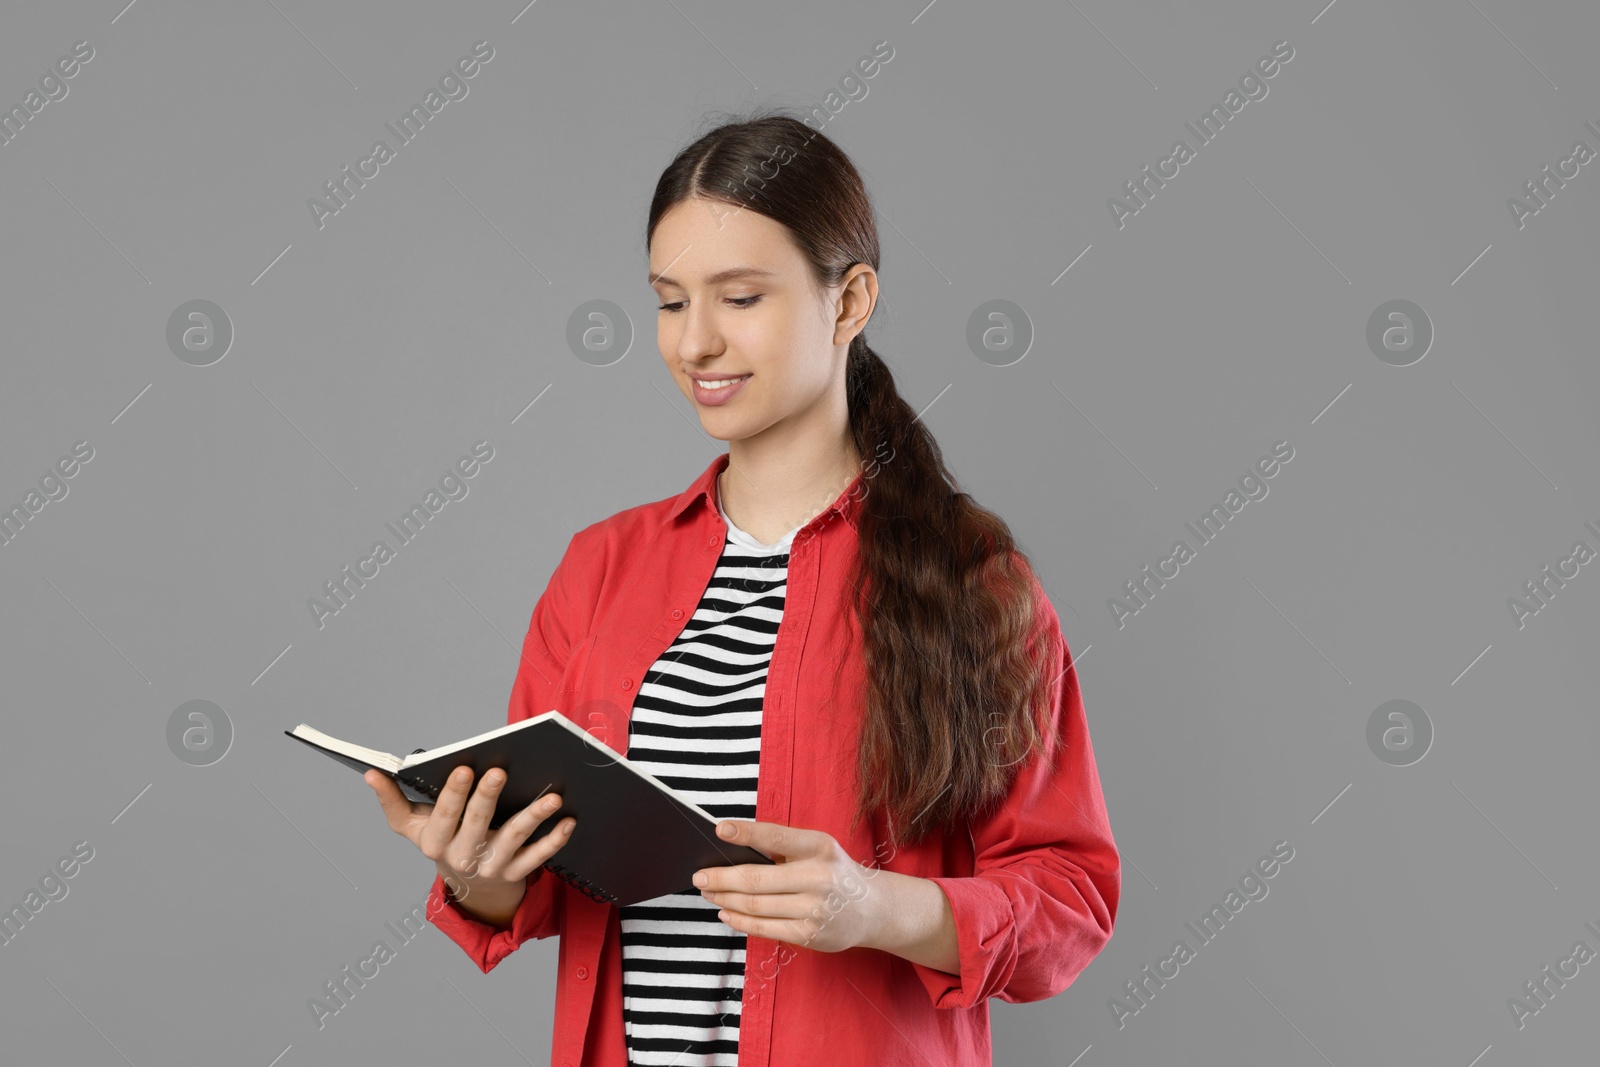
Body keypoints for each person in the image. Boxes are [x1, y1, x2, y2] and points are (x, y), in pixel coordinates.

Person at [365, 110, 1119, 1066]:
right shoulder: (600, 568)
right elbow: (553, 881)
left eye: (741, 297)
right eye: (671, 301)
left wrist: (876, 906)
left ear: (849, 302)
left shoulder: (977, 583)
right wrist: (479, 870)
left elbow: (1070, 894)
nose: (697, 343)